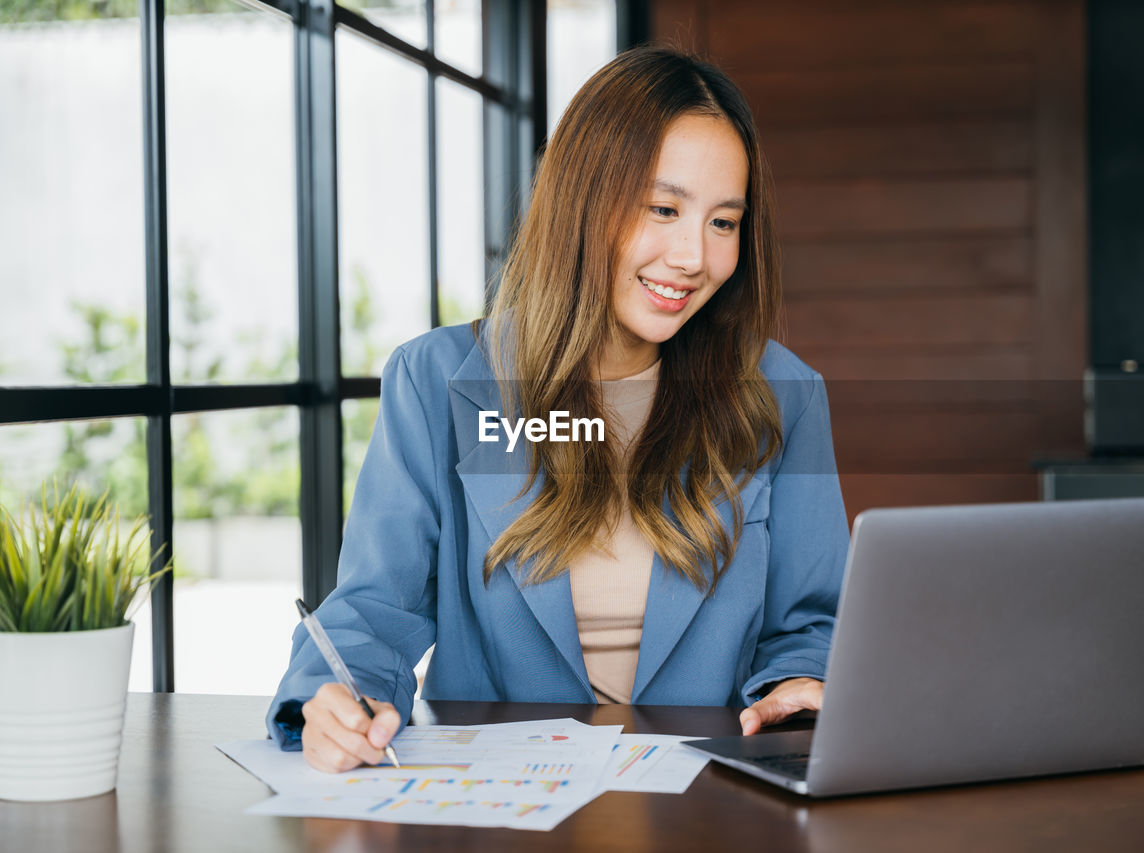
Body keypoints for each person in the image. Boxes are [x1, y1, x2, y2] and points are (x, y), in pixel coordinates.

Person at [267, 46, 848, 773]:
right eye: (663, 209)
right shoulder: (440, 381)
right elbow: (374, 610)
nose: (694, 255)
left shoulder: (780, 396)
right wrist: (333, 698)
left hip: (712, 801)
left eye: (723, 222)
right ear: (584, 199)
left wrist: (801, 679)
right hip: (497, 802)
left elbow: (811, 620)